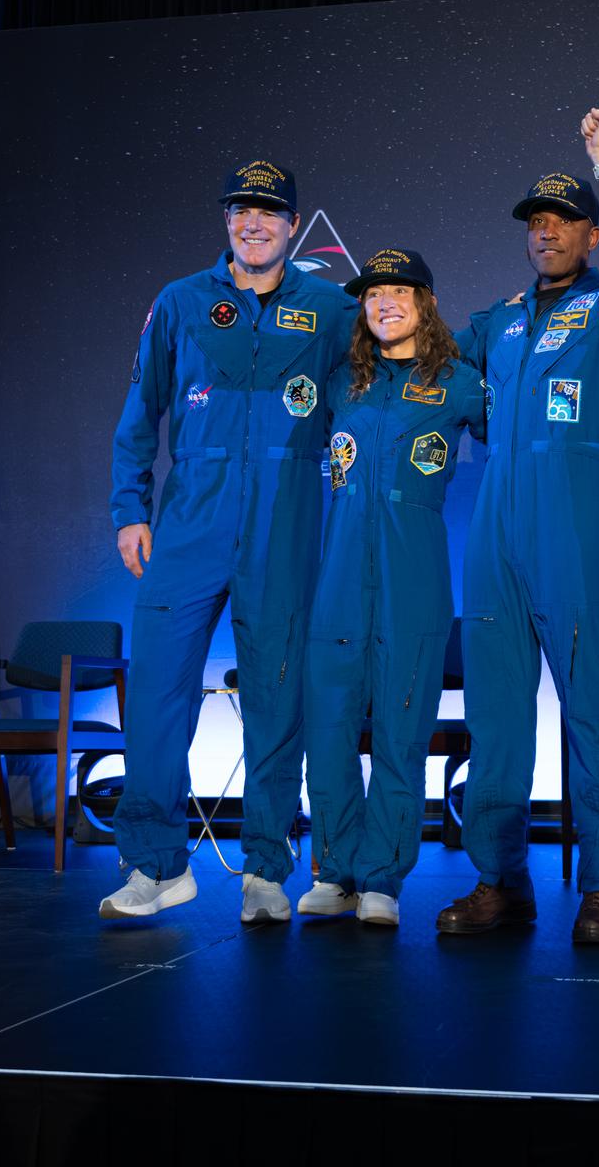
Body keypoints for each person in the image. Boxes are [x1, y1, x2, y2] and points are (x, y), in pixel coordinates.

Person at [102, 160, 354, 924]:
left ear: (291, 225)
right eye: (242, 211)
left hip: (287, 509)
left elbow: (358, 412)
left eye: (270, 213)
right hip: (191, 516)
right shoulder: (182, 302)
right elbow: (140, 413)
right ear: (226, 221)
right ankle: (155, 865)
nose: (254, 224)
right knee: (155, 690)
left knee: (276, 696)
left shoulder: (330, 307)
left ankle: (267, 870)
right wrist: (130, 508)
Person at [436, 122, 599, 943]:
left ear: (589, 232)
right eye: (535, 218)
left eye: (563, 218)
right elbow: (427, 373)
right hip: (495, 528)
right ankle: (501, 879)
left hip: (572, 525)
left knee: (592, 711)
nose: (545, 229)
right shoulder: (494, 323)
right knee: (495, 716)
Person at [296, 249, 485, 927]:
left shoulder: (459, 383)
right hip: (341, 574)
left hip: (414, 574)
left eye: (399, 291)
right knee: (332, 726)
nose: (384, 303)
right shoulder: (341, 381)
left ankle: (383, 877)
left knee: (403, 730)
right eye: (373, 294)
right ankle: (337, 869)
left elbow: (514, 448)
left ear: (426, 302)